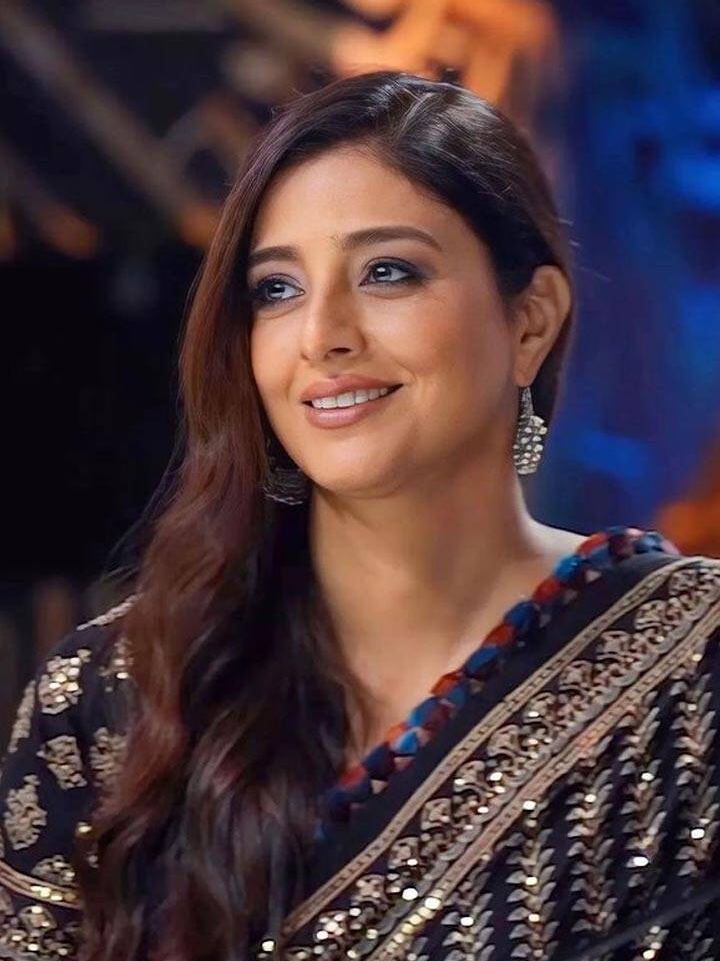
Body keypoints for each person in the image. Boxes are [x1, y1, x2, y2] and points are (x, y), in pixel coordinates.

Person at [1, 70, 719, 961]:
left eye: (388, 273)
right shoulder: (113, 698)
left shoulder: (690, 663)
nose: (322, 336)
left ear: (530, 322)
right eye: (276, 289)